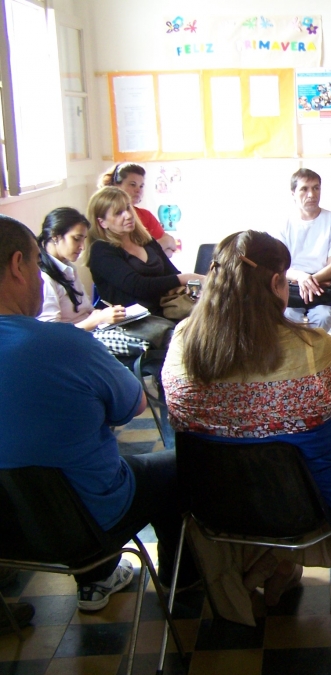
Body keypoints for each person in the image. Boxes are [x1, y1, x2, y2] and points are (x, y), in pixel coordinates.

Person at [162, 230, 331, 629]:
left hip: (217, 501)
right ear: (278, 283)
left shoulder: (181, 343)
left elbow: (179, 412)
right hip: (310, 506)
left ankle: (256, 579)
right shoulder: (315, 350)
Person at [0, 215, 198, 614]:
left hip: (9, 533)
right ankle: (185, 587)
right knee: (182, 466)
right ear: (18, 264)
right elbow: (134, 405)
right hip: (86, 523)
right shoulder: (64, 344)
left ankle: (98, 577)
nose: (42, 276)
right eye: (38, 262)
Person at [84, 187, 204, 316]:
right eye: (118, 213)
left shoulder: (147, 240)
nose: (129, 215)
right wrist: (188, 278)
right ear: (102, 223)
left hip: (167, 310)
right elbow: (139, 286)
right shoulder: (101, 250)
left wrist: (196, 290)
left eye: (128, 208)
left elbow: (173, 274)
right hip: (132, 322)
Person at [272, 168, 331, 330]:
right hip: (293, 284)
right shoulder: (283, 224)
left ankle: (316, 353)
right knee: (288, 316)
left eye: (316, 188)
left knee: (324, 316)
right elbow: (280, 267)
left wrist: (310, 280)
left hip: (322, 285)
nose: (311, 194)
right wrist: (302, 277)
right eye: (304, 189)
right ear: (293, 193)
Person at [37, 207, 127, 329]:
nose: (82, 247)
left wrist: (100, 315)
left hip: (90, 333)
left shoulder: (68, 268)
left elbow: (86, 311)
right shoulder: (44, 279)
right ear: (55, 236)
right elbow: (53, 335)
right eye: (76, 239)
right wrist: (97, 319)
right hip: (74, 342)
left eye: (83, 240)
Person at [99, 163, 177, 256]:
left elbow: (170, 248)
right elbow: (131, 257)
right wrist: (160, 248)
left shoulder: (145, 215)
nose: (138, 190)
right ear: (116, 185)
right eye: (132, 184)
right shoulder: (106, 216)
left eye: (141, 186)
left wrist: (165, 244)